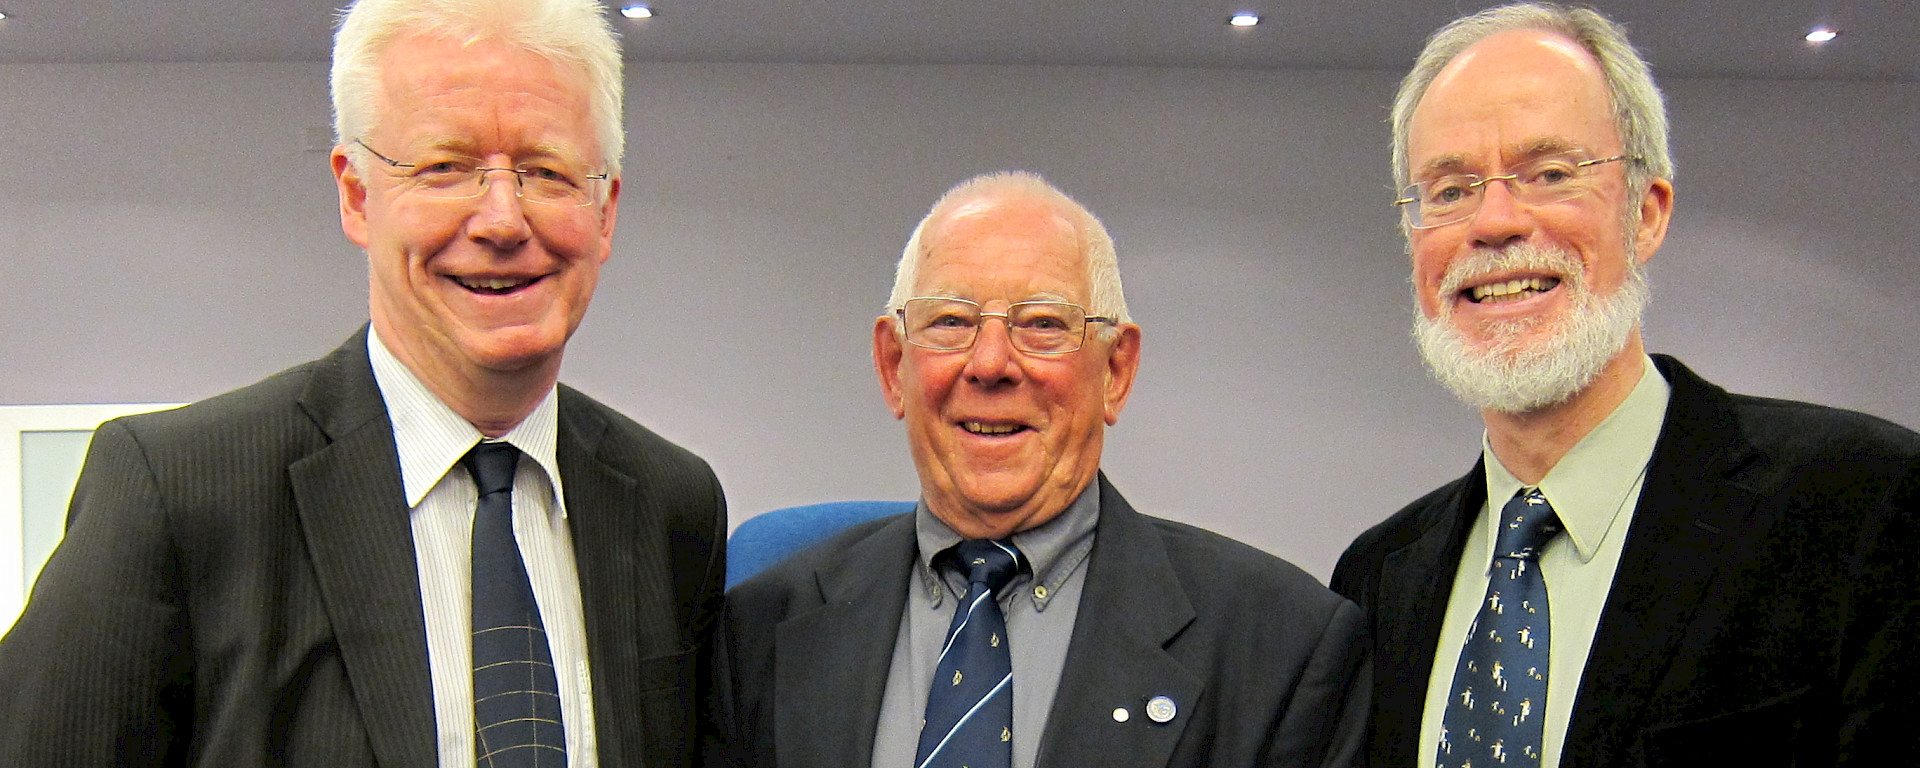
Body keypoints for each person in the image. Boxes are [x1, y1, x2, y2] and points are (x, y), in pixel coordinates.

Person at [0, 0, 726, 765]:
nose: (503, 221)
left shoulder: (672, 506)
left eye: (546, 172)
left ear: (604, 209)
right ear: (355, 194)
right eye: (445, 168)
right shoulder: (178, 494)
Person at [1330, 4, 1920, 767]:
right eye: (1449, 191)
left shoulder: (1864, 507)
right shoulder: (1377, 577)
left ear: (1647, 213)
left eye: (1549, 174)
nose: (1496, 222)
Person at [712, 172, 1369, 768]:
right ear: (893, 368)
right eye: (950, 321)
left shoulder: (1281, 650)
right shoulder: (760, 634)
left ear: (1116, 371)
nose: (992, 363)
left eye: (1043, 325)